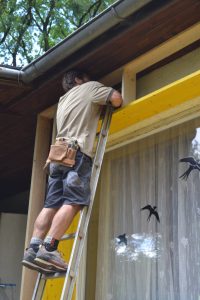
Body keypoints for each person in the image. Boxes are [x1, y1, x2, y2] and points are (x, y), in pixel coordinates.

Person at [22, 70, 123, 273]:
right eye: (85, 77)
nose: (89, 80)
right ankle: (49, 247)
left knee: (51, 204)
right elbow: (117, 99)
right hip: (75, 154)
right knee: (74, 201)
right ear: (78, 80)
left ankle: (33, 248)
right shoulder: (89, 87)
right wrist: (106, 92)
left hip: (56, 155)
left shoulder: (63, 99)